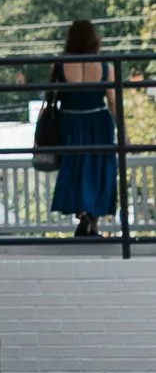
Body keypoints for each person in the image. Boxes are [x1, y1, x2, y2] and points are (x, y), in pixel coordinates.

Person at [43, 16, 121, 240]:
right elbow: (113, 100)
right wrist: (122, 131)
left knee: (74, 168)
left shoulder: (60, 64)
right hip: (98, 121)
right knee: (99, 170)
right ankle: (93, 223)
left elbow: (51, 94)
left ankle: (81, 214)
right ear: (93, 40)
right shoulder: (105, 66)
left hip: (70, 120)